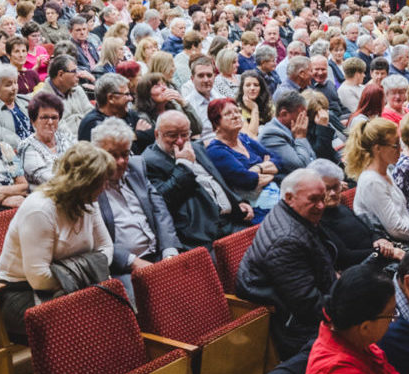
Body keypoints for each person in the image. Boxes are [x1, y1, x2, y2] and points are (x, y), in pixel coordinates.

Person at [0, 141, 115, 340]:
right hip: (20, 293)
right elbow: (39, 278)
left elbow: (106, 248)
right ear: (83, 183)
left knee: (114, 302)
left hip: (68, 286)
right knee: (87, 318)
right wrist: (87, 271)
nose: (105, 187)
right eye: (101, 181)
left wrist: (76, 276)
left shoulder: (88, 200)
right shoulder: (40, 209)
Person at [235, 168, 337, 357]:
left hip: (302, 305)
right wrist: (347, 310)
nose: (321, 206)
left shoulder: (291, 213)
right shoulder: (286, 240)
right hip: (295, 327)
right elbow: (308, 305)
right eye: (314, 199)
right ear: (289, 197)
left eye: (323, 198)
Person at [143, 109, 250, 249]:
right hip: (201, 233)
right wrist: (184, 165)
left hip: (231, 220)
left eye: (184, 135)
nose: (180, 141)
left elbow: (215, 178)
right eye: (172, 135)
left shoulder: (195, 147)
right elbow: (162, 200)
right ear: (157, 134)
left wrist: (237, 201)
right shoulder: (148, 161)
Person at [92, 119, 180, 285]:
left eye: (125, 154)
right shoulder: (89, 186)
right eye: (113, 155)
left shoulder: (136, 167)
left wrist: (169, 252)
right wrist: (133, 262)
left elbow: (160, 211)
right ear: (97, 154)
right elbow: (94, 241)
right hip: (123, 267)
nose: (121, 161)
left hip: (159, 255)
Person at [345, 117, 409, 242]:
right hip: (399, 244)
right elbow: (396, 229)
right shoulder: (372, 182)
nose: (400, 149)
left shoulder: (385, 171)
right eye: (395, 145)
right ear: (377, 148)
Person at [309, 159, 403, 267]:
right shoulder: (318, 220)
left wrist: (381, 240)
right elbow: (345, 257)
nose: (333, 193)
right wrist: (384, 253)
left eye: (335, 187)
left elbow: (370, 231)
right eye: (327, 189)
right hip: (365, 267)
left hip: (381, 256)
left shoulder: (342, 207)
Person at [204, 98, 281, 216]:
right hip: (254, 210)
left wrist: (258, 168)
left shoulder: (244, 139)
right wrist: (269, 170)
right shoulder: (216, 150)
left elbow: (278, 160)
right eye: (228, 114)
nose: (235, 116)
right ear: (216, 123)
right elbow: (247, 180)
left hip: (275, 195)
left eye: (237, 111)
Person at [78, 73, 152, 151]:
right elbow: (115, 150)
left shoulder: (129, 114)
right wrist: (137, 135)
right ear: (111, 98)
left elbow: (152, 135)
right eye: (126, 94)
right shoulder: (92, 123)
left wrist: (134, 136)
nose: (130, 98)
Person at [16, 91, 74, 185]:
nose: (50, 122)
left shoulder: (66, 138)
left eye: (54, 117)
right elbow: (47, 179)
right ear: (33, 121)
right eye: (44, 117)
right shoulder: (28, 147)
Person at [257, 88, 316, 179]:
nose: (305, 119)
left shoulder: (294, 128)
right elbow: (302, 167)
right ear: (284, 114)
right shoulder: (271, 134)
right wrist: (300, 137)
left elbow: (313, 158)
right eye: (301, 115)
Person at [34, 55, 92, 138]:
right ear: (60, 74)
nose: (78, 74)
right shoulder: (43, 99)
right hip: (69, 143)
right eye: (74, 71)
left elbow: (90, 114)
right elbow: (61, 134)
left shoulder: (77, 90)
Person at [0, 63, 32, 149]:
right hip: (12, 151)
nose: (14, 88)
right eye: (8, 85)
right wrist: (26, 145)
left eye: (15, 82)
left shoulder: (25, 100)